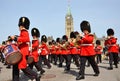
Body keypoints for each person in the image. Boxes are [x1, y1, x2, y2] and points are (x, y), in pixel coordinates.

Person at [11, 17, 40, 81]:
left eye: (19, 26)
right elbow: (21, 40)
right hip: (21, 51)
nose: (19, 27)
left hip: (23, 52)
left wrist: (16, 38)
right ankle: (15, 79)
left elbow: (26, 39)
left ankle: (35, 75)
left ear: (21, 26)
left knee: (23, 67)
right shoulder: (22, 32)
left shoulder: (24, 31)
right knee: (16, 66)